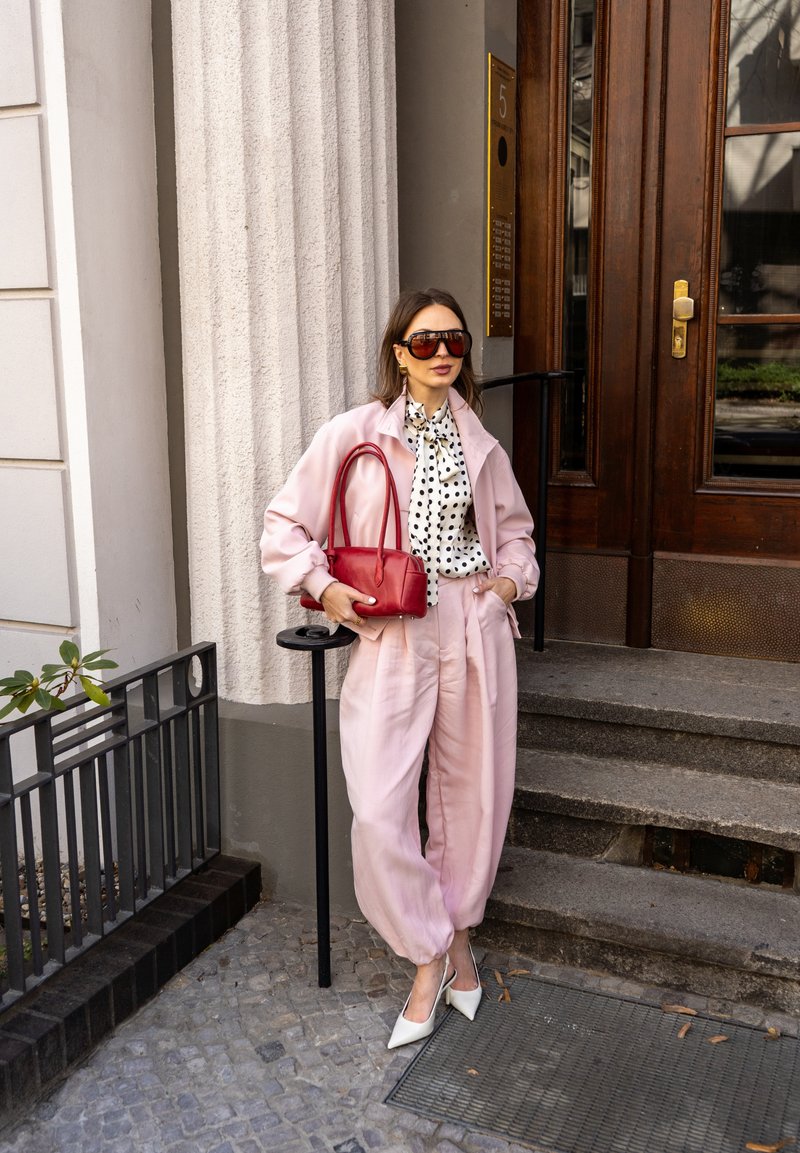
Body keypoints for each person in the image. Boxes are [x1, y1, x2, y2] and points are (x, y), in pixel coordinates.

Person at [261, 288, 538, 1048]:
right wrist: (323, 586)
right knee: (381, 806)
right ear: (398, 353)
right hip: (392, 629)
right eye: (424, 342)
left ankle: (457, 945)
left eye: (454, 341)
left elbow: (517, 537)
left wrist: (506, 587)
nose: (441, 352)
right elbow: (284, 524)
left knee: (472, 798)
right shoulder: (356, 434)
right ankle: (429, 950)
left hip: (471, 621)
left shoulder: (483, 445)